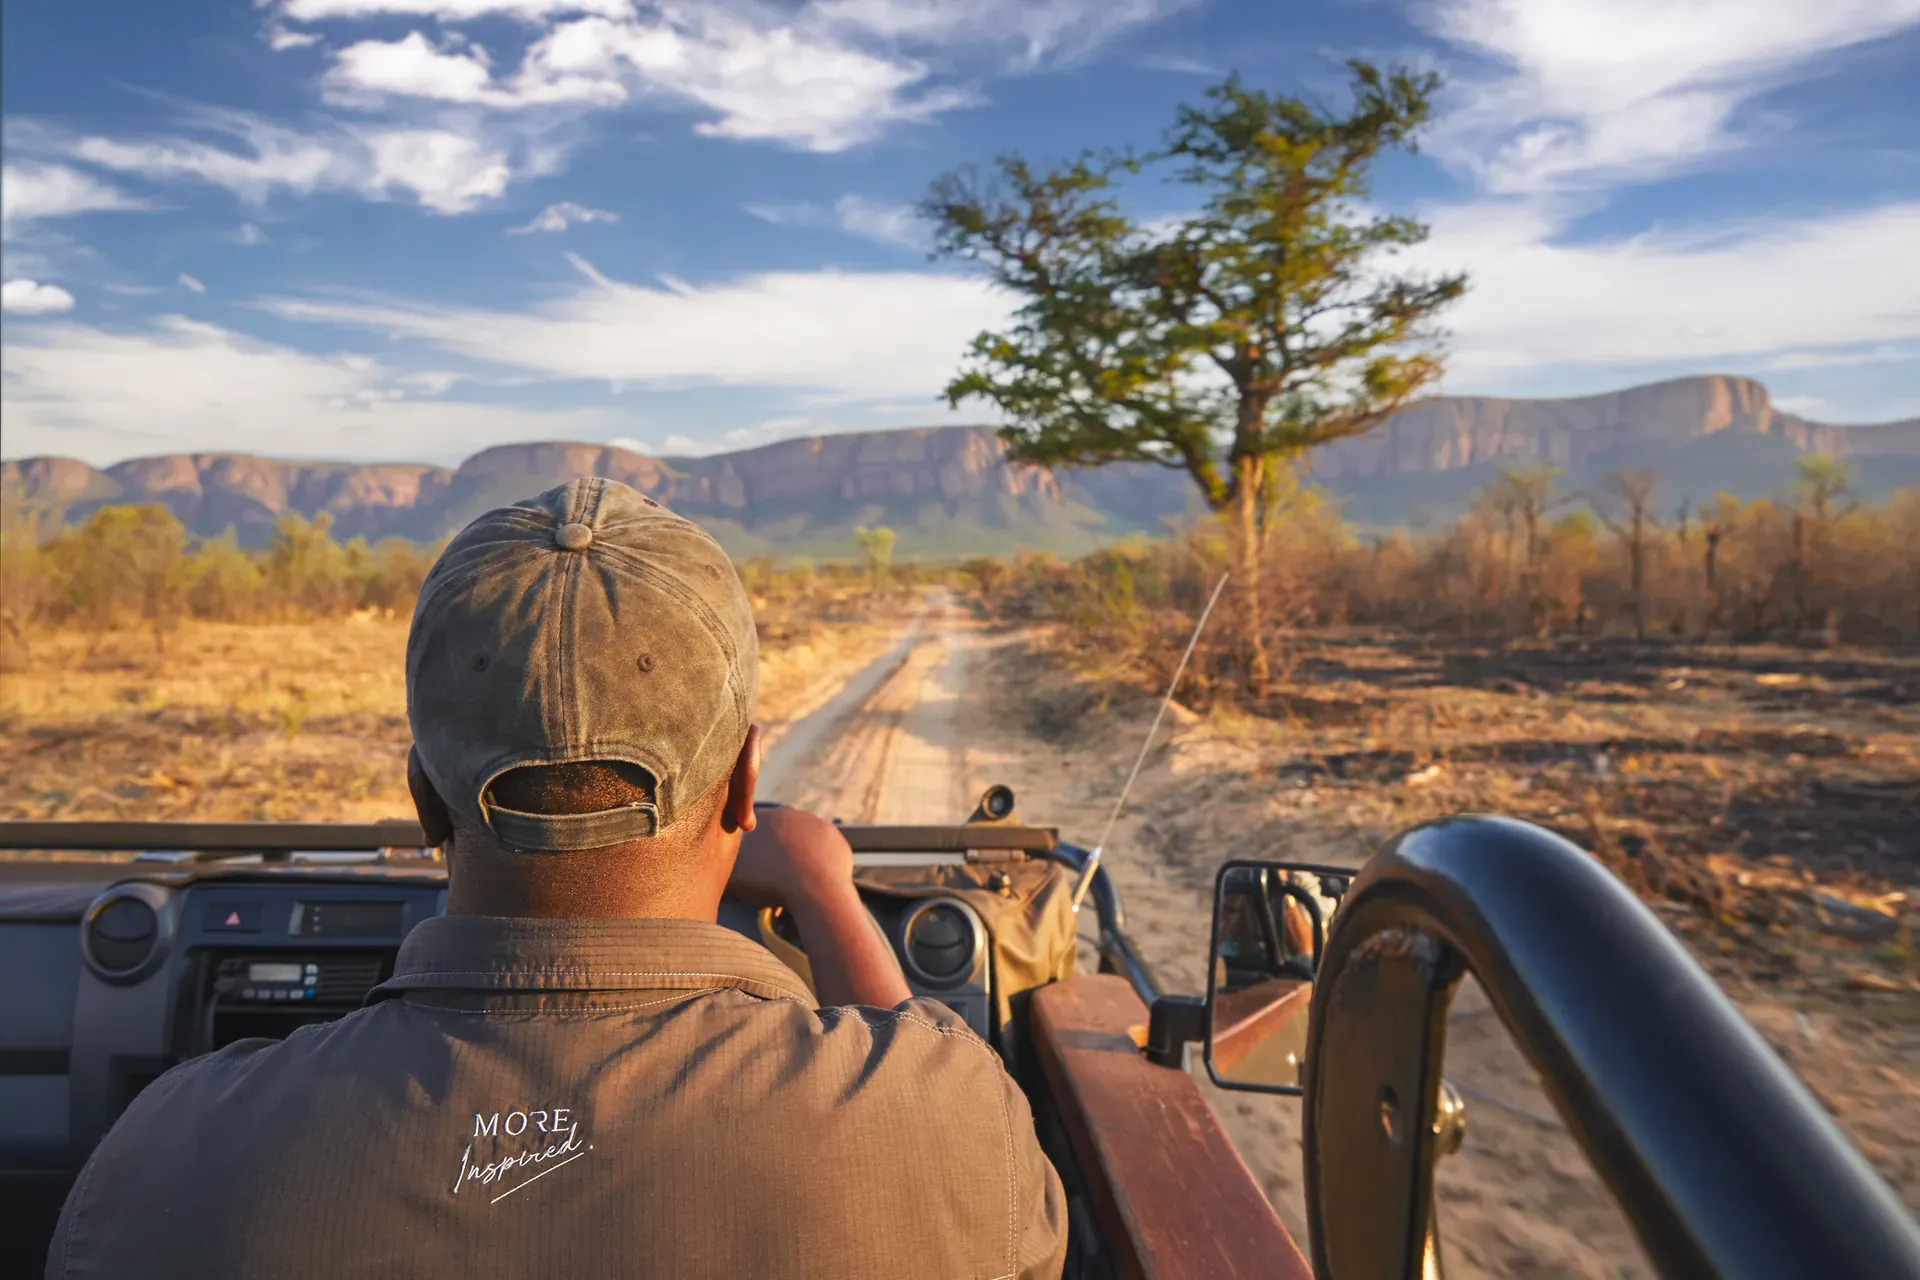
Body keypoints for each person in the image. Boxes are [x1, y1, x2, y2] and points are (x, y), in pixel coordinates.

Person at [45, 478, 1068, 1280]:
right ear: (747, 778)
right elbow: (943, 1107)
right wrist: (823, 889)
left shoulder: (167, 1153)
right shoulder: (945, 1121)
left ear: (422, 796)